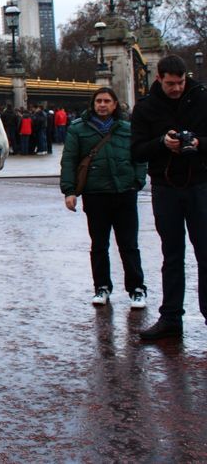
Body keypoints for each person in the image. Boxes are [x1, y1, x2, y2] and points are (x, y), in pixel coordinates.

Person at [130, 54, 207, 340]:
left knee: (205, 254)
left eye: (180, 82)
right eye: (171, 83)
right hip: (165, 187)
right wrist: (162, 143)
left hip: (200, 183)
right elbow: (136, 151)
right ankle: (171, 317)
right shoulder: (145, 108)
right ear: (159, 78)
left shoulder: (202, 99)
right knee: (171, 255)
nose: (176, 88)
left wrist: (198, 143)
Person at [60, 87, 147, 308]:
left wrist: (137, 181)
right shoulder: (77, 129)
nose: (102, 105)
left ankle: (137, 288)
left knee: (129, 245)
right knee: (99, 245)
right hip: (95, 194)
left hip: (124, 192)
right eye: (98, 101)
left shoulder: (128, 128)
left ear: (115, 104)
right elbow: (69, 160)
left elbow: (139, 157)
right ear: (93, 104)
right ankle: (102, 287)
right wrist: (69, 191)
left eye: (107, 101)